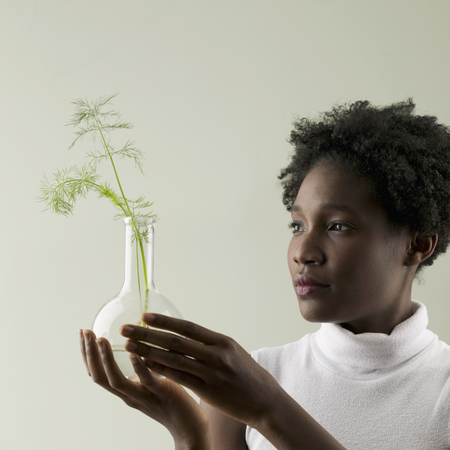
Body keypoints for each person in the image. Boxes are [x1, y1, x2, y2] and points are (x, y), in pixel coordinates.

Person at [80, 99, 450, 449]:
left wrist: (270, 410)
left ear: (417, 244)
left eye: (338, 226)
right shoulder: (253, 375)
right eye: (297, 226)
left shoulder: (255, 390)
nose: (303, 252)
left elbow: (267, 406)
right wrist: (189, 433)